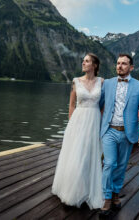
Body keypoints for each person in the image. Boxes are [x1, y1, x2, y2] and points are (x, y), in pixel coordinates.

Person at [99, 53, 139, 215]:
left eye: (124, 64)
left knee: (121, 167)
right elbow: (98, 105)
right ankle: (107, 197)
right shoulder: (107, 84)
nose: (119, 66)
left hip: (128, 133)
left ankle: (115, 194)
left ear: (131, 67)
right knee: (109, 163)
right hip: (109, 130)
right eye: (118, 63)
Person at [52, 53, 104, 209]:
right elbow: (71, 105)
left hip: (94, 120)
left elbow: (104, 105)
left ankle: (88, 188)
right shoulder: (75, 81)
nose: (83, 62)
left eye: (87, 61)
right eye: (83, 60)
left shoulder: (102, 82)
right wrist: (71, 125)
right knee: (77, 152)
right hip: (78, 120)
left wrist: (100, 120)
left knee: (90, 153)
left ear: (94, 65)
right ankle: (72, 190)